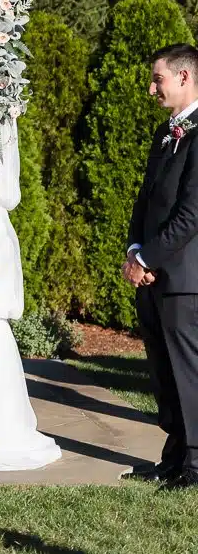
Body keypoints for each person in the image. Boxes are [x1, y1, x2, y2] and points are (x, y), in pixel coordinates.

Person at [121, 43, 198, 490]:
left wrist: (150, 257)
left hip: (185, 278)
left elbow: (191, 215)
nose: (152, 88)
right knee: (163, 372)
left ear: (184, 77)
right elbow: (145, 201)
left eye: (158, 79)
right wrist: (136, 251)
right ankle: (173, 456)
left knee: (188, 372)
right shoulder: (164, 133)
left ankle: (196, 464)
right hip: (151, 274)